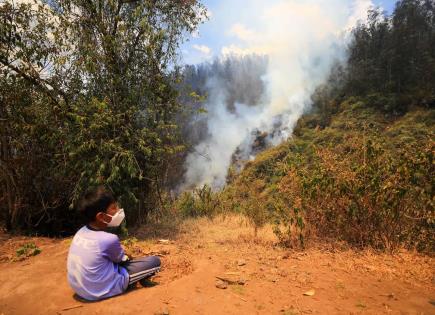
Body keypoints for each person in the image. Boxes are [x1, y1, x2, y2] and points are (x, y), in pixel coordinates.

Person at [67, 186, 161, 301]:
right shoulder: (109, 239)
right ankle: (131, 282)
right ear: (101, 216)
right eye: (113, 208)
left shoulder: (80, 233)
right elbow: (121, 260)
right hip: (100, 291)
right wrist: (126, 257)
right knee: (154, 261)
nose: (118, 210)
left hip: (80, 290)